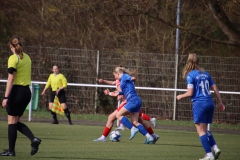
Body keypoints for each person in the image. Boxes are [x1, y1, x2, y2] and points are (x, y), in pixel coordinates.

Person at [176, 53, 225, 160]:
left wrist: (180, 96)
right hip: (210, 102)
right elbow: (215, 88)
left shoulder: (190, 75)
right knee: (205, 130)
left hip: (200, 104)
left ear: (188, 62)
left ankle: (209, 154)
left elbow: (190, 93)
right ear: (198, 62)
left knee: (201, 131)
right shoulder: (206, 74)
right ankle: (215, 148)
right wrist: (220, 102)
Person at [1, 35, 41, 156]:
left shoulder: (13, 58)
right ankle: (33, 139)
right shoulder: (28, 58)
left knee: (11, 122)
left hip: (17, 91)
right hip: (26, 92)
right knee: (15, 122)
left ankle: (11, 151)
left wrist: (6, 97)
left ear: (11, 46)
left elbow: (11, 78)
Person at [112, 66, 154, 143]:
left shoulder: (124, 76)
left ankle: (132, 129)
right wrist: (118, 93)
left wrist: (132, 78)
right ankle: (149, 137)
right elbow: (126, 91)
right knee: (135, 122)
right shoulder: (122, 80)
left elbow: (130, 78)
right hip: (136, 100)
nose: (115, 77)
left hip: (132, 100)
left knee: (118, 115)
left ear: (118, 73)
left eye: (115, 75)